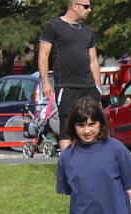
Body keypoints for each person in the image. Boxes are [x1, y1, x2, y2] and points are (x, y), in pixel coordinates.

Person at [38, 0, 102, 150]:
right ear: (74, 6)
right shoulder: (53, 27)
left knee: (93, 126)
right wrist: (46, 82)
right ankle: (68, 167)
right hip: (66, 86)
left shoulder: (88, 32)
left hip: (88, 87)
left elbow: (93, 61)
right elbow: (43, 56)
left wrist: (98, 87)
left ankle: (91, 162)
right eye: (86, 6)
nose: (89, 10)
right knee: (67, 128)